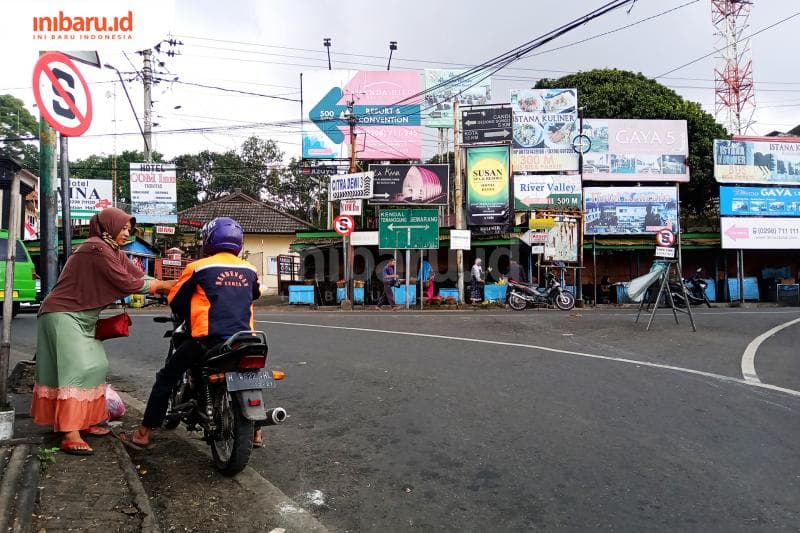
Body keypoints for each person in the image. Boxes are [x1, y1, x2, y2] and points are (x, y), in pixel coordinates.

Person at [32, 207, 175, 455]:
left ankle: (84, 421)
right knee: (75, 370)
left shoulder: (112, 251)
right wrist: (162, 286)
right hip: (63, 314)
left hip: (82, 316)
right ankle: (70, 432)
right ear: (109, 227)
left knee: (96, 365)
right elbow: (126, 282)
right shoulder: (96, 248)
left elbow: (139, 275)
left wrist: (172, 284)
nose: (127, 232)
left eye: (129, 228)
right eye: (123, 228)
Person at [129, 217, 262, 448]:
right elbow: (255, 294)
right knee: (249, 376)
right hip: (244, 340)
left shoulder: (198, 267)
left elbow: (178, 303)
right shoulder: (250, 269)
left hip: (207, 341)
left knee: (166, 377)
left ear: (209, 240)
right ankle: (257, 432)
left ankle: (144, 433)